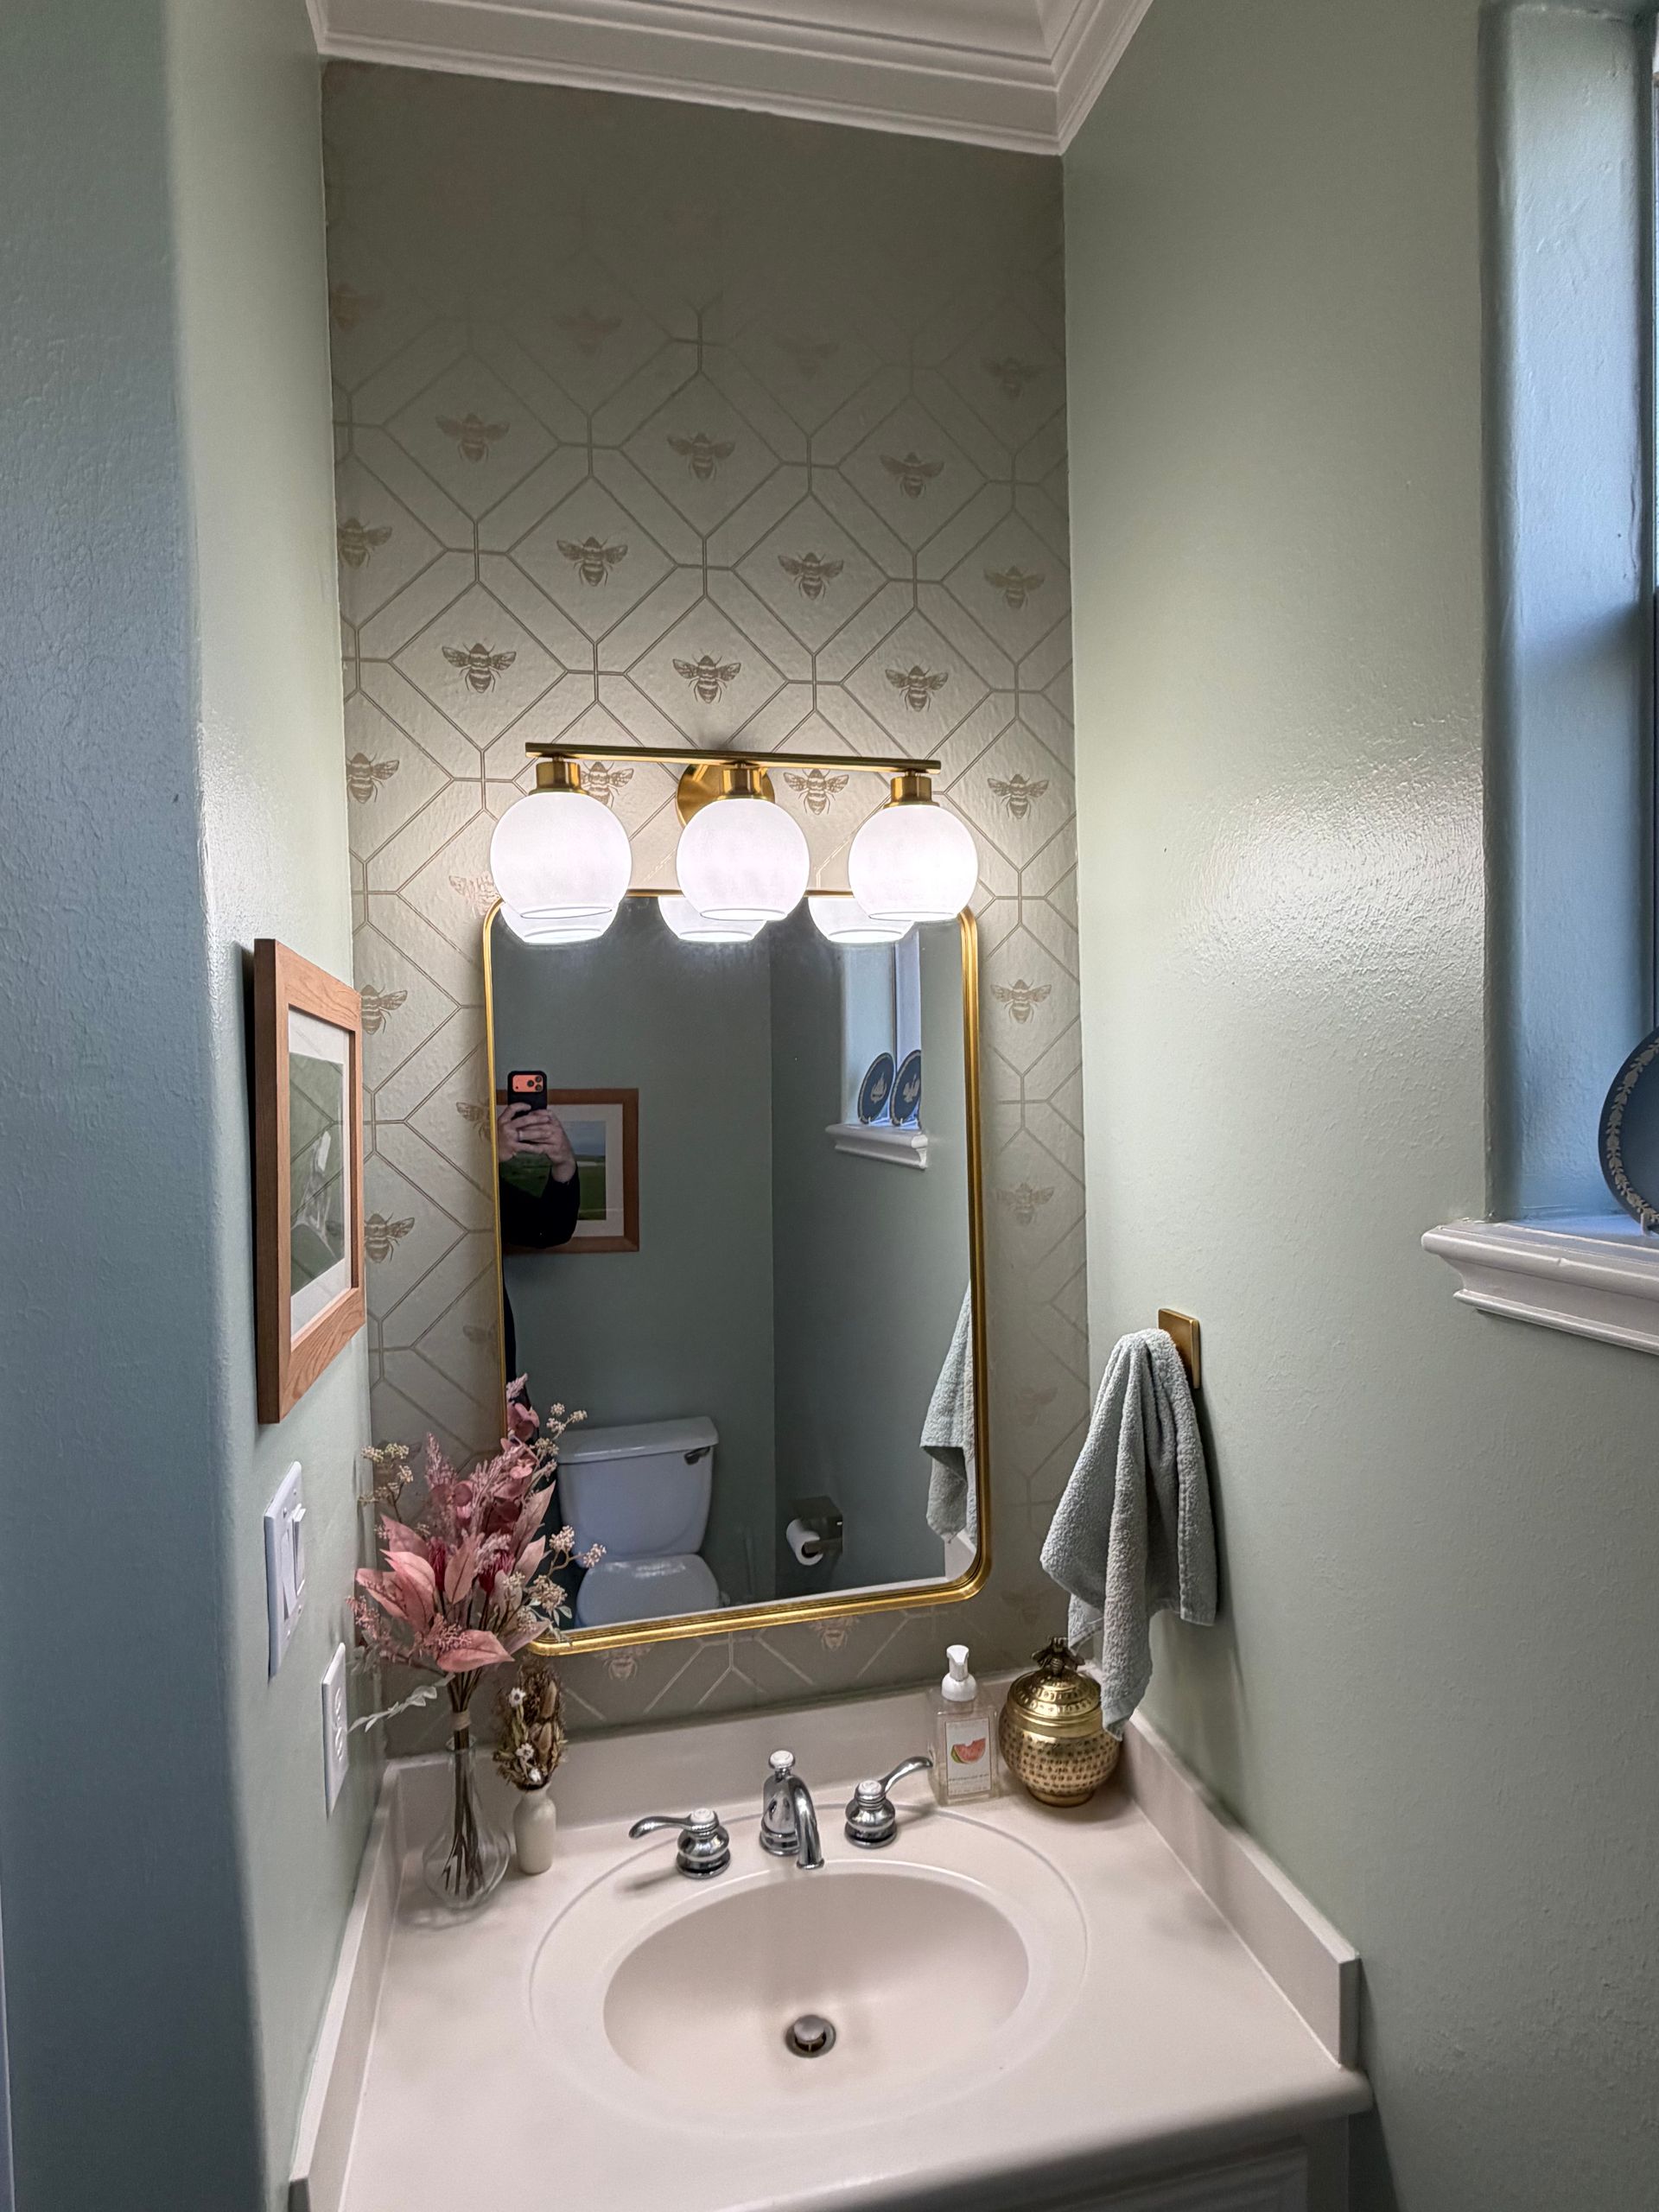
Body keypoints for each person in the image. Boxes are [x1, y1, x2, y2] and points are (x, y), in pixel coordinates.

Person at [495, 1100, 582, 1382]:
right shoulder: (439, 1181)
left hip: (497, 1380)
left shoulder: (491, 1191)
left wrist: (565, 1162)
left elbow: (548, 1229)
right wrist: (485, 1159)